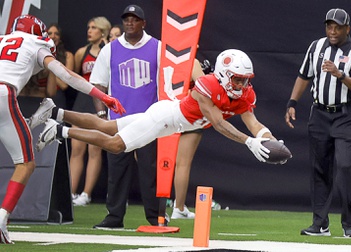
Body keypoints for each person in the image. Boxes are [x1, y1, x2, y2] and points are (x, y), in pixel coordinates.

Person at [36, 49, 279, 192]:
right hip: (165, 119)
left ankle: (55, 112)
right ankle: (60, 131)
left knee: (107, 126)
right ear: (224, 75)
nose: (242, 85)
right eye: (237, 79)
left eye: (245, 80)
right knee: (116, 144)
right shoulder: (207, 85)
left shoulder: (245, 94)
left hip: (171, 118)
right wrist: (249, 142)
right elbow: (218, 123)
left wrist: (267, 139)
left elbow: (254, 123)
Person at [0, 14, 124, 244]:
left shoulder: (3, 39)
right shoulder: (35, 43)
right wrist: (102, 96)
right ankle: (1, 219)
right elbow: (66, 75)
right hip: (3, 94)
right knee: (26, 164)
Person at [284, 8, 351, 238]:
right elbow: (304, 75)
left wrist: (339, 74)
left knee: (343, 165)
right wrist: (292, 102)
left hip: (345, 115)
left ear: (347, 29)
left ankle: (348, 223)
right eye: (329, 26)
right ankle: (320, 224)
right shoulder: (316, 47)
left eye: (337, 27)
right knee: (319, 169)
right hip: (320, 114)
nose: (332, 31)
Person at [91, 4, 165, 228]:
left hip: (149, 120)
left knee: (150, 171)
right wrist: (103, 115)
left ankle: (156, 218)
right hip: (118, 121)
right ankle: (114, 217)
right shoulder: (111, 49)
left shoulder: (157, 47)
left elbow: (167, 81)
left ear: (144, 23)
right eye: (126, 19)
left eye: (135, 19)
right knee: (117, 171)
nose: (130, 23)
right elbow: (97, 84)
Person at [70, 17, 111, 206]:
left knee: (95, 149)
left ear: (103, 31)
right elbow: (76, 77)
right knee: (76, 149)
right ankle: (71, 192)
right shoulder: (81, 52)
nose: (89, 30)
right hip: (82, 101)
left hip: (99, 102)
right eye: (88, 27)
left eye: (94, 28)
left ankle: (86, 194)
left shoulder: (110, 50)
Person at [171, 58, 205, 219]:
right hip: (186, 114)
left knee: (164, 162)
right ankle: (177, 207)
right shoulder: (192, 62)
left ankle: (173, 206)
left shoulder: (161, 58)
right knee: (182, 163)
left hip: (166, 113)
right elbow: (204, 88)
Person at [46, 23, 75, 109]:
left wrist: (49, 66)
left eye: (56, 34)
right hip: (40, 95)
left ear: (60, 38)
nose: (53, 36)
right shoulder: (38, 54)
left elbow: (64, 85)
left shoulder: (68, 56)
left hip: (57, 96)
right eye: (49, 33)